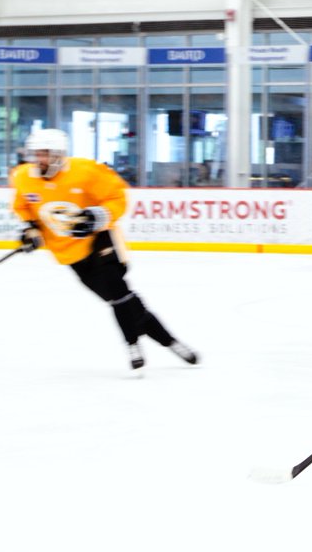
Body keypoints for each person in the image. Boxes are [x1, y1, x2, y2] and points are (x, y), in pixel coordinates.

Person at [10, 128, 199, 374]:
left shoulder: (86, 171)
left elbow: (117, 197)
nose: (38, 160)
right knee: (122, 300)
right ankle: (171, 342)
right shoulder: (23, 176)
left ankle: (132, 345)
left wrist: (96, 216)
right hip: (69, 253)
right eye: (36, 154)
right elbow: (23, 207)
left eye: (44, 154)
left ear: (58, 155)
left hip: (100, 239)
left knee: (118, 292)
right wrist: (31, 230)